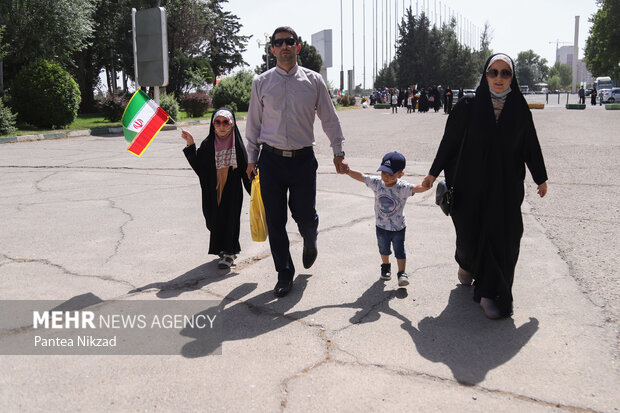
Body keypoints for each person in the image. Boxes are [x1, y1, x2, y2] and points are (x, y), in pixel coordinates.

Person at [422, 53, 548, 319]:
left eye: (506, 73)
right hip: (470, 186)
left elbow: (530, 144)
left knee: (507, 236)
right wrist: (433, 174)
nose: (499, 78)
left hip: (505, 189)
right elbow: (450, 142)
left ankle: (491, 292)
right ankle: (466, 264)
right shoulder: (468, 106)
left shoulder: (518, 107)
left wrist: (540, 177)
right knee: (469, 236)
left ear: (512, 77)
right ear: (485, 75)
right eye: (493, 72)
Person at [245, 26, 348, 297]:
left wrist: (338, 151)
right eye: (278, 43)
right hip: (271, 161)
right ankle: (284, 274)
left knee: (303, 213)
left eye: (289, 41)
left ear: (297, 47)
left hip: (303, 160)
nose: (284, 46)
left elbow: (329, 118)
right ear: (272, 49)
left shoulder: (313, 81)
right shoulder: (261, 82)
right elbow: (253, 124)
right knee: (275, 221)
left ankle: (310, 236)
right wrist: (251, 158)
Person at [181, 108, 251, 269]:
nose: (222, 126)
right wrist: (190, 144)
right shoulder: (207, 144)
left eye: (226, 122)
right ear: (213, 125)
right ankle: (222, 247)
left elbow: (246, 171)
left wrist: (256, 192)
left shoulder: (238, 146)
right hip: (213, 189)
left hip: (232, 189)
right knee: (213, 220)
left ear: (232, 124)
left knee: (230, 219)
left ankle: (229, 252)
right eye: (217, 122)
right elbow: (200, 167)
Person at [345, 152, 428, 287]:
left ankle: (402, 273)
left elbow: (417, 188)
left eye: (391, 175)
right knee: (383, 249)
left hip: (398, 227)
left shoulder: (403, 187)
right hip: (381, 226)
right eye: (384, 173)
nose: (386, 177)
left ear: (400, 174)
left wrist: (425, 185)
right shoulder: (378, 183)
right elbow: (362, 177)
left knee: (399, 250)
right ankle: (385, 265)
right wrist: (348, 171)